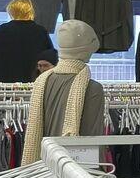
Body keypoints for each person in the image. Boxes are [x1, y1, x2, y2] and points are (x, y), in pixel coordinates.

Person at [22, 19, 107, 164]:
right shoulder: (93, 89)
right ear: (86, 49)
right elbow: (92, 141)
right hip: (77, 171)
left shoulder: (41, 82)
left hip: (43, 168)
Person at [0, 0, 56, 83]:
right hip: (34, 84)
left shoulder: (1, 31)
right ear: (30, 11)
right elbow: (50, 59)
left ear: (11, 11)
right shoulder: (40, 32)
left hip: (5, 85)